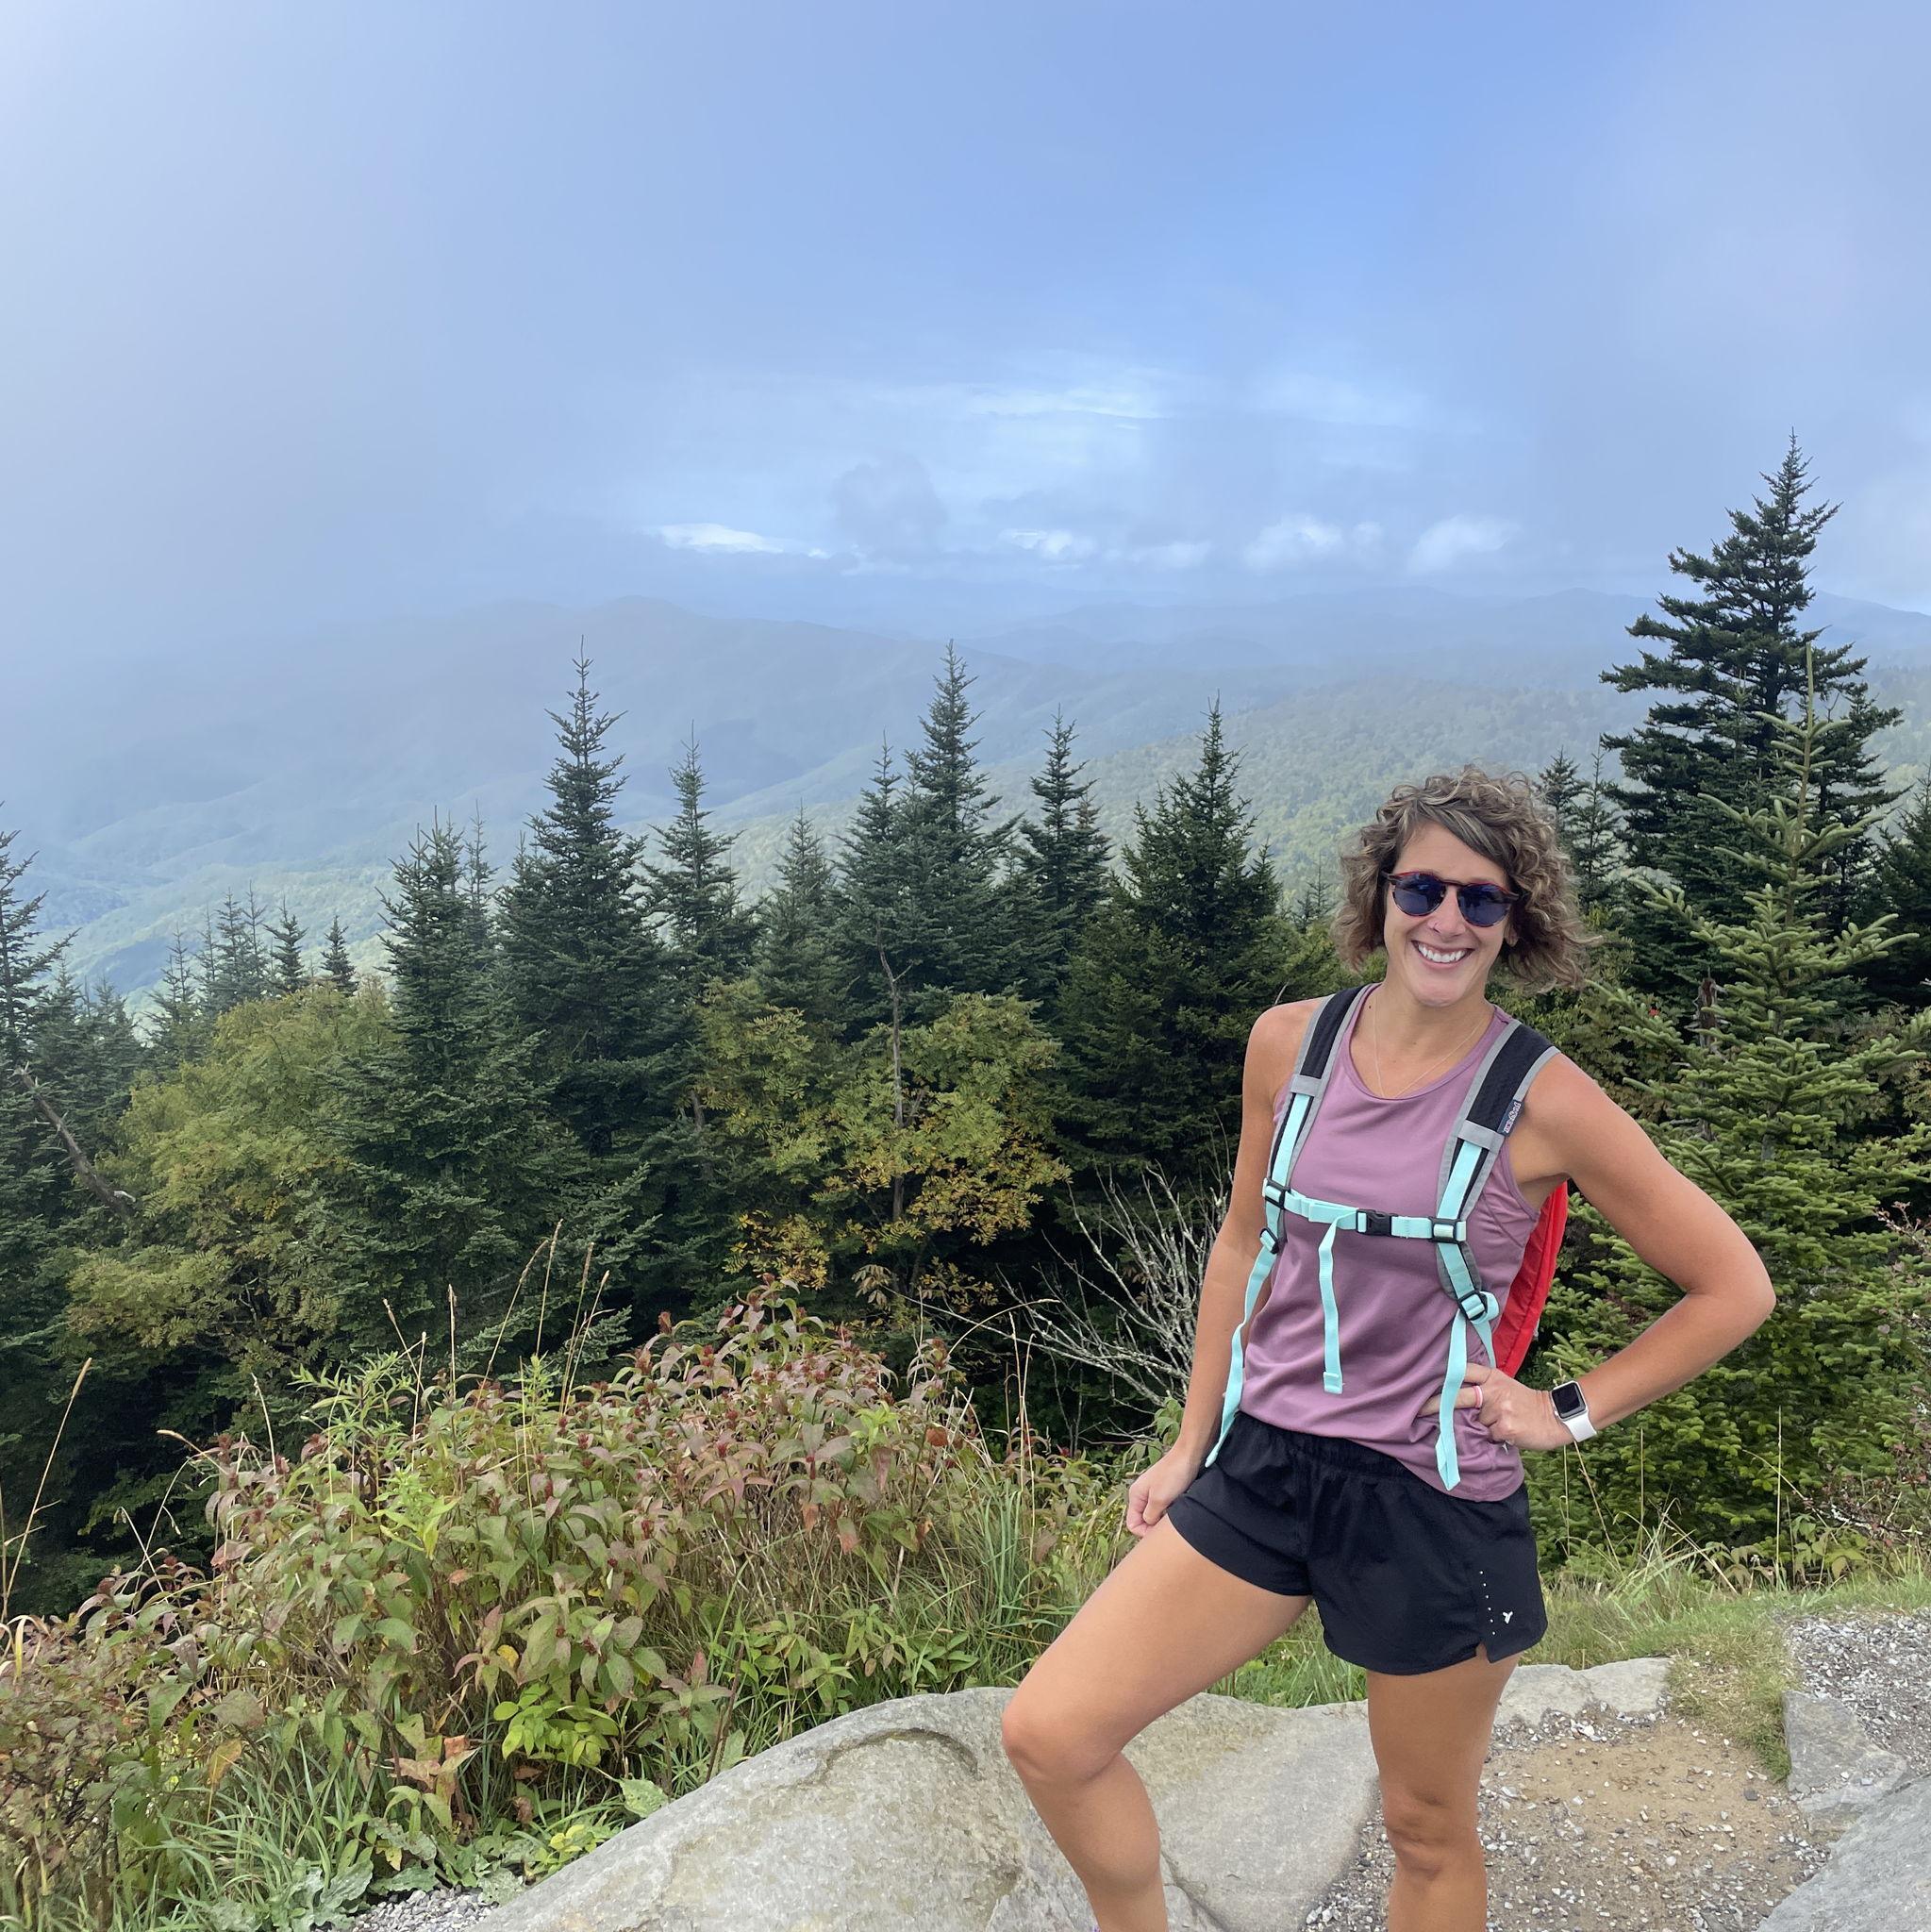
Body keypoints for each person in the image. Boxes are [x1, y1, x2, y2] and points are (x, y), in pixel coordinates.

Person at [999, 765, 1775, 1932]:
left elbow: (1732, 1285)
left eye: (1482, 900)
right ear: (1379, 895)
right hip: (1263, 1466)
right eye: (1421, 886)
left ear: (1518, 923)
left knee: (1422, 1827)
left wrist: (1562, 1407)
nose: (1446, 920)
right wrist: (1189, 1437)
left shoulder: (1545, 1098)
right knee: (1050, 1732)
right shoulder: (1287, 1046)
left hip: (1430, 1498)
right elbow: (1244, 1236)